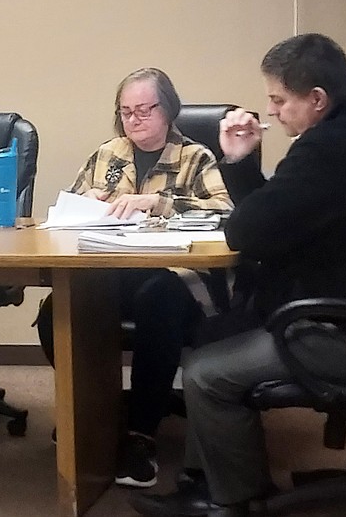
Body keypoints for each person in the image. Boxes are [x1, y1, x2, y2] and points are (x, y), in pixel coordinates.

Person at [130, 33, 346, 517]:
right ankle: (206, 477)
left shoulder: (330, 151)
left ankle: (231, 500)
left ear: (316, 100)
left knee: (206, 371)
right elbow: (275, 222)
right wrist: (242, 162)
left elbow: (247, 232)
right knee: (216, 333)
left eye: (278, 99)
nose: (271, 111)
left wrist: (236, 164)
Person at [38, 67, 232, 488]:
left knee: (157, 298)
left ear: (169, 110)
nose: (134, 120)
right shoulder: (107, 154)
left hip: (175, 279)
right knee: (57, 308)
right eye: (125, 111)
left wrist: (160, 203)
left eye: (144, 109)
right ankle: (92, 412)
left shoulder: (195, 157)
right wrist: (84, 202)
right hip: (112, 271)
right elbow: (67, 214)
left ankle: (140, 432)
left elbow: (224, 213)